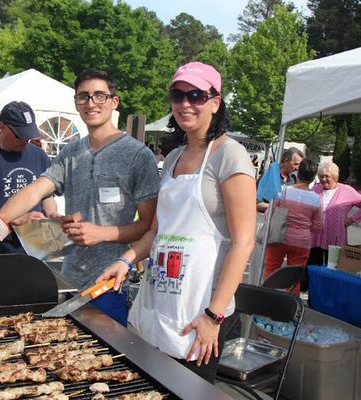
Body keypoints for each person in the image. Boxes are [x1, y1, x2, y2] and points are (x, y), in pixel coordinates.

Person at [96, 62, 256, 382]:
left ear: (215, 101)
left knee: (186, 389)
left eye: (196, 95)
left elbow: (244, 242)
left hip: (201, 308)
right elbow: (157, 230)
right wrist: (125, 261)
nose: (185, 103)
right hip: (161, 296)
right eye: (178, 94)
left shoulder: (230, 156)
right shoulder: (172, 158)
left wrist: (214, 315)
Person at [0, 70, 160, 326]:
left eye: (99, 96)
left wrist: (101, 233)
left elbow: (149, 226)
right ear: (76, 103)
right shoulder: (72, 152)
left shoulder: (138, 156)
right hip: (68, 282)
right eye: (84, 97)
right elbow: (37, 189)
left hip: (110, 284)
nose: (91, 103)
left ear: (114, 102)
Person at [0, 101, 58, 254]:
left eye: (28, 136)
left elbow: (47, 197)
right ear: (2, 126)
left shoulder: (39, 155)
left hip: (36, 246)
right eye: (19, 136)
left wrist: (52, 215)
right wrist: (15, 218)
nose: (24, 141)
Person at [264, 159, 321, 291]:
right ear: (313, 177)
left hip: (278, 237)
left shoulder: (283, 192)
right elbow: (317, 227)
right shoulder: (316, 199)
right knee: (294, 278)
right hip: (301, 242)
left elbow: (268, 215)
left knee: (270, 272)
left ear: (298, 173)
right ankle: (290, 306)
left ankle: (266, 302)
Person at [307, 161, 361, 266]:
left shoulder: (347, 191)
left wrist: (352, 219)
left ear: (335, 177)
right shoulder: (315, 189)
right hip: (315, 236)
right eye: (321, 176)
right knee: (312, 268)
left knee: (333, 267)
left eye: (326, 176)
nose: (323, 179)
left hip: (335, 237)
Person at [257, 147, 304, 212]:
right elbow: (257, 204)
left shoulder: (293, 180)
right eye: (295, 164)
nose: (297, 168)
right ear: (286, 161)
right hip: (264, 219)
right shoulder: (268, 176)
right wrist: (280, 207)